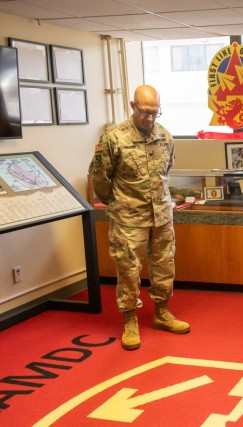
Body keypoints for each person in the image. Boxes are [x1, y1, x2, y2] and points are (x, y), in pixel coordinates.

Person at [89, 85, 190, 350]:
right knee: (128, 269)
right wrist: (121, 202)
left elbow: (167, 169)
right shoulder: (113, 137)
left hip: (161, 214)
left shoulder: (165, 136)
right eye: (145, 112)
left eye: (155, 113)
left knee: (164, 264)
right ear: (133, 106)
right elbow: (100, 179)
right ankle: (130, 320)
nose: (150, 118)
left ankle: (161, 313)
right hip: (128, 216)